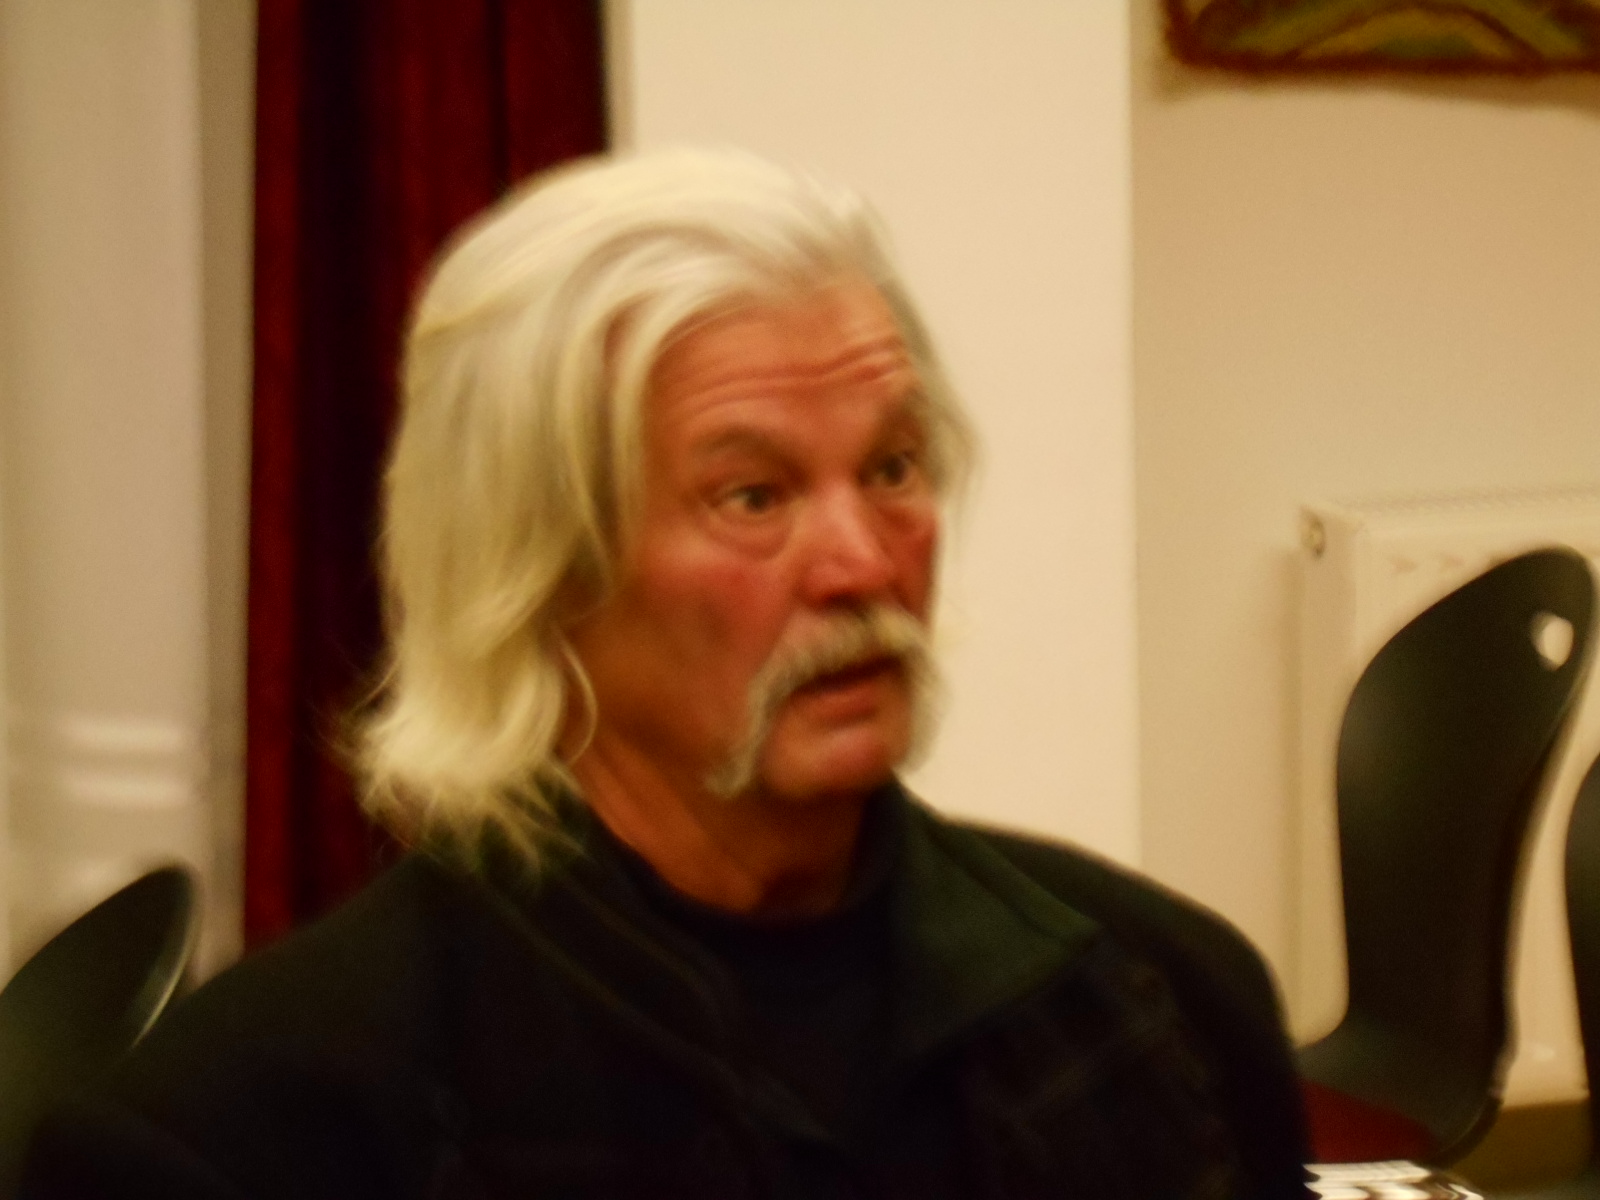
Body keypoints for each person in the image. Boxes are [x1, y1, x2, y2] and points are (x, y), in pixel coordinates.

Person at [21, 149, 1307, 1199]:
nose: (862, 562)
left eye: (892, 468)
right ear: (535, 567)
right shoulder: (247, 1141)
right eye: (753, 496)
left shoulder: (1164, 1004)